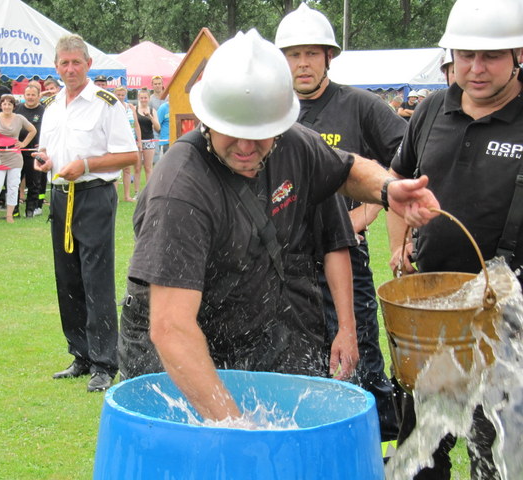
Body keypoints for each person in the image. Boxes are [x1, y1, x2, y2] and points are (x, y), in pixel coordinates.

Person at [117, 29, 439, 422]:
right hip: (171, 352)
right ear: (207, 118)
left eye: (260, 134)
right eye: (233, 133)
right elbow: (171, 329)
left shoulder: (294, 142)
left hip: (250, 325)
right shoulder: (180, 189)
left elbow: (345, 169)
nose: (247, 147)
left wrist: (388, 190)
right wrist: (235, 426)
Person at [386, 0, 523, 478]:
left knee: (500, 452)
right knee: (422, 446)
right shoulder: (430, 112)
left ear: (517, 54)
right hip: (434, 311)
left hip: (510, 319)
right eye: (466, 55)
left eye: (491, 57)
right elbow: (399, 179)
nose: (476, 68)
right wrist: (400, 244)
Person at [275, 3, 406, 443]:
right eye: (294, 54)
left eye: (312, 53)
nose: (303, 63)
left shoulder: (360, 106)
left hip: (348, 258)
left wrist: (364, 215)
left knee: (362, 359)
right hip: (287, 264)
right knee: (304, 364)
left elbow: (403, 166)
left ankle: (379, 450)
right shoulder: (272, 112)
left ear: (329, 56)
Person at [33, 34, 137, 392]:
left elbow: (130, 155)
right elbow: (47, 152)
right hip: (61, 195)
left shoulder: (106, 104)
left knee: (96, 279)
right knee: (69, 278)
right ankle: (81, 355)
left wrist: (88, 163)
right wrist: (45, 160)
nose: (70, 68)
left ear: (88, 64)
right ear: (56, 66)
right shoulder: (52, 105)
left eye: (76, 62)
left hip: (93, 194)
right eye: (64, 63)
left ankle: (105, 364)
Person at [0, 94, 36, 224]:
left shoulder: (19, 118)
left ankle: (9, 214)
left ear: (13, 106)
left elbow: (32, 130)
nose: (7, 106)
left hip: (14, 155)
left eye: (9, 104)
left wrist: (23, 143)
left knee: (13, 186)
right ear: (0, 105)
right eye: (4, 103)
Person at [15, 83, 47, 217]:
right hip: (17, 153)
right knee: (14, 182)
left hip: (35, 152)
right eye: (28, 94)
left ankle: (31, 210)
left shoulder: (45, 110)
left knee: (34, 183)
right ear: (24, 95)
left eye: (33, 95)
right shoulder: (17, 109)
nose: (30, 97)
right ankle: (14, 210)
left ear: (39, 96)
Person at [113, 86, 142, 202]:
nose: (120, 97)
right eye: (118, 95)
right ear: (115, 94)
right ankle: (114, 197)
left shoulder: (130, 107)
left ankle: (127, 196)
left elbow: (136, 125)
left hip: (130, 142)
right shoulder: (112, 107)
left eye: (122, 95)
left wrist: (139, 141)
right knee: (116, 170)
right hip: (117, 142)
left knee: (127, 169)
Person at [134, 88, 160, 193]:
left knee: (148, 168)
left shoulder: (152, 110)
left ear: (149, 98)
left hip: (149, 141)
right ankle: (136, 192)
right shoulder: (134, 109)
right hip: (137, 141)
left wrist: (150, 116)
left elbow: (157, 128)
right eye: (141, 98)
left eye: (145, 98)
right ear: (138, 98)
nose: (143, 100)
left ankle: (149, 191)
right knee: (137, 168)